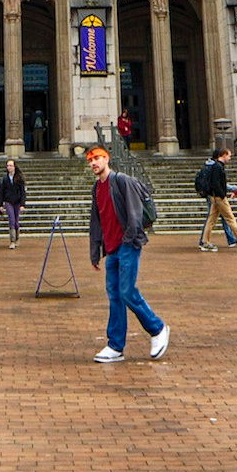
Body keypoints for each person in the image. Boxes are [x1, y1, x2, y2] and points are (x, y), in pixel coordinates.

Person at [85, 145, 168, 364]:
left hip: (127, 244)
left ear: (107, 159)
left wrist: (131, 239)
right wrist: (95, 252)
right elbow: (97, 221)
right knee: (114, 296)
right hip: (111, 248)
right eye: (90, 160)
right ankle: (115, 346)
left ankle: (157, 328)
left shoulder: (122, 181)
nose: (94, 163)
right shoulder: (97, 188)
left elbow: (134, 212)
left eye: (97, 158)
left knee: (127, 291)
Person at [195, 146, 237, 250]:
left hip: (215, 196)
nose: (230, 158)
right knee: (230, 218)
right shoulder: (217, 167)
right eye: (229, 155)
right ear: (223, 155)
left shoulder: (216, 166)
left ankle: (205, 242)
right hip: (219, 197)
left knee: (211, 220)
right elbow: (217, 183)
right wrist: (222, 195)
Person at [1, 158, 28, 247]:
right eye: (8, 166)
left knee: (16, 221)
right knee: (11, 220)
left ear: (14, 167)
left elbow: (23, 192)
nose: (9, 167)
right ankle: (12, 240)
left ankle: (17, 238)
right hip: (8, 201)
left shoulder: (19, 178)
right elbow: (2, 191)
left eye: (11, 166)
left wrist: (22, 204)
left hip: (17, 201)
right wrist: (1, 204)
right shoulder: (5, 179)